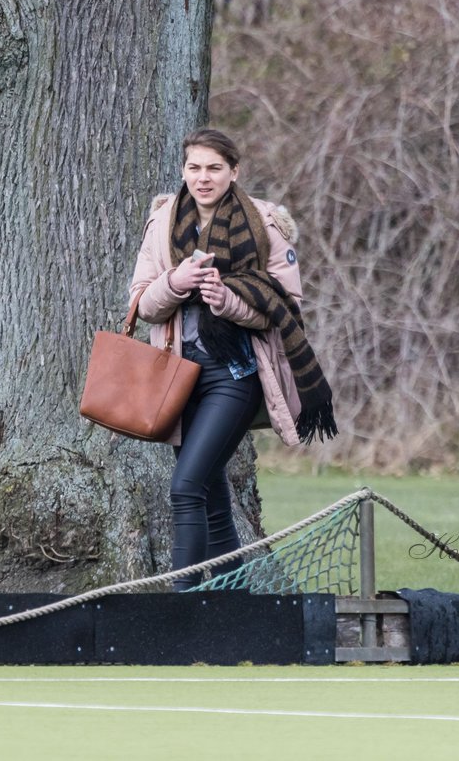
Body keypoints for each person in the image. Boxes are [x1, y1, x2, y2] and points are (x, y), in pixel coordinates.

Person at [129, 128, 337, 591]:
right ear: (184, 170)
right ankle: (230, 603)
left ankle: (182, 604)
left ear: (233, 171)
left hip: (235, 374)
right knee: (213, 499)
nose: (203, 178)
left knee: (185, 488)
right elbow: (142, 303)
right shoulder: (163, 222)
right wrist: (177, 281)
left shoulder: (265, 223)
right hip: (179, 377)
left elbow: (287, 305)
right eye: (194, 168)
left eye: (214, 168)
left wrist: (227, 301)